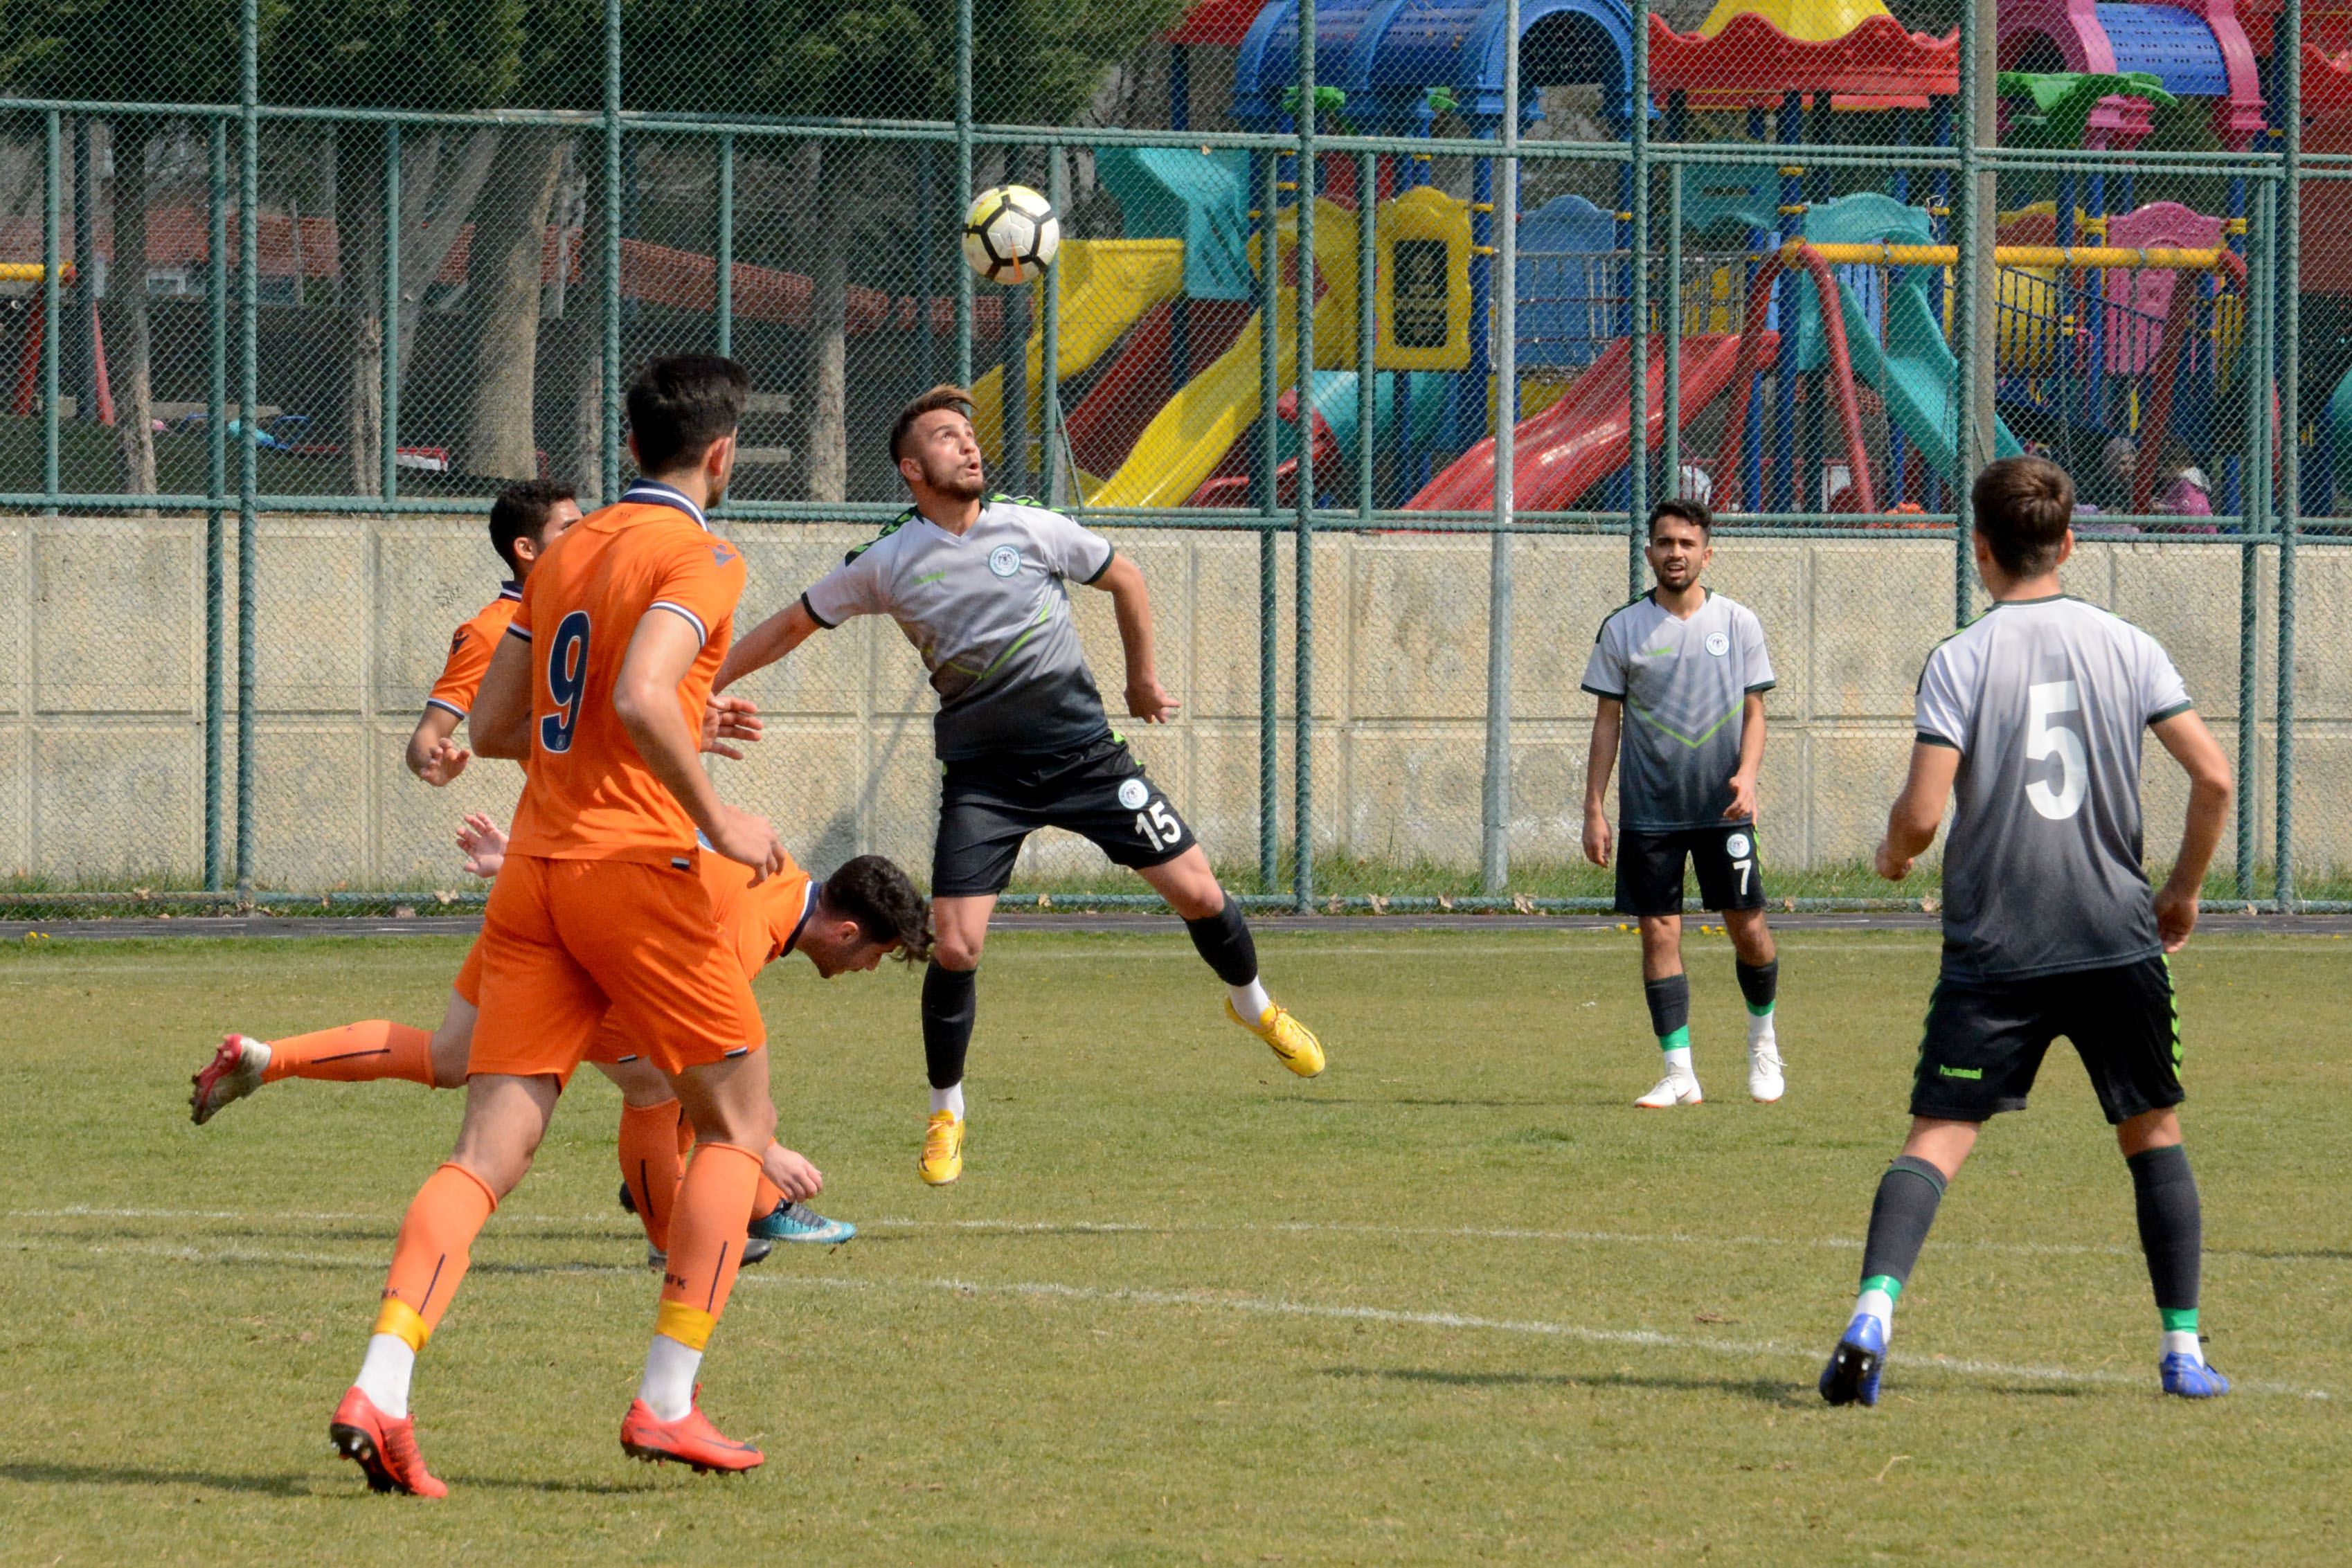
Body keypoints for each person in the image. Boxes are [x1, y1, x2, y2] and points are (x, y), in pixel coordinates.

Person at [324, 354, 791, 1495]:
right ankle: (667, 1402)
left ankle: (381, 1386)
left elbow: (493, 727)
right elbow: (637, 694)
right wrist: (717, 810)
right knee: (736, 1131)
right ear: (721, 454)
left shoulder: (569, 550)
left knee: (484, 1156)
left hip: (533, 873)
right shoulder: (704, 554)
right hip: (634, 872)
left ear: (631, 444)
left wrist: (666, 718)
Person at [714, 384, 1325, 1189]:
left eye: (969, 435)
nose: (967, 446)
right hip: (986, 782)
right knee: (956, 944)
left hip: (1085, 761)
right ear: (910, 467)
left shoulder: (1030, 524)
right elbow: (791, 624)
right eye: (944, 437)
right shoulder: (888, 561)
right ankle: (947, 1112)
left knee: (1202, 896)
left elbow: (1128, 580)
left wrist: (1142, 680)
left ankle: (1255, 1007)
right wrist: (696, 682)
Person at [1818, 456, 2235, 1407]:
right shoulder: (2128, 645)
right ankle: (2180, 1349)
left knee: (1937, 1138)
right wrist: (2180, 891)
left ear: (1979, 549)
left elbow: (1922, 816)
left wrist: (1892, 852)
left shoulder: (1962, 658)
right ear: (2070, 541)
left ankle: (1873, 1313)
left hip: (1997, 947)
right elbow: (2211, 776)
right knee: (2153, 1133)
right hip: (2113, 935)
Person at [189, 818, 928, 1254]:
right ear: (846, 928)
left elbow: (643, 842)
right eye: (876, 955)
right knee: (656, 1084)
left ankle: (266, 1058)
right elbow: (693, 1055)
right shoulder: (749, 929)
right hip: (571, 955)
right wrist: (768, 1152)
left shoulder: (773, 868)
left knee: (448, 1058)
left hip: (533, 911)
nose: (867, 969)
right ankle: (677, 1237)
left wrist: (520, 861)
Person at [1581, 498, 1785, 1108]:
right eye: (1665, 542)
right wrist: (1593, 807)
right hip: (1649, 812)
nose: (1675, 553)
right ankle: (1679, 1073)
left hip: (1723, 810)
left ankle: (1763, 1042)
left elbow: (1755, 709)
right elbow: (1606, 722)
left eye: (1686, 543)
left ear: (1706, 552)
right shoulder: (1621, 628)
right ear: (1649, 552)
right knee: (1658, 934)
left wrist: (1747, 775)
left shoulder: (1738, 622)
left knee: (1747, 929)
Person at [406, 480, 582, 786]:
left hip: (660, 808)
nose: (586, 538)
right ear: (526, 548)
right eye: (570, 529)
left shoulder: (606, 602)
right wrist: (432, 762)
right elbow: (428, 735)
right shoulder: (492, 631)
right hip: (580, 816)